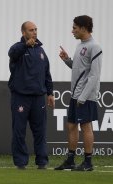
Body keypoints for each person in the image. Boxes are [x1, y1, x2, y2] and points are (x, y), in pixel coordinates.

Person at [55, 15, 102, 171]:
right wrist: (67, 59)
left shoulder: (95, 47)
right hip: (76, 94)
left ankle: (88, 163)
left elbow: (94, 75)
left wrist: (83, 96)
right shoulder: (80, 45)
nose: (72, 31)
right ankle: (70, 160)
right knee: (71, 126)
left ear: (83, 28)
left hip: (86, 96)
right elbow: (78, 68)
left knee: (85, 126)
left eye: (74, 27)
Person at [8, 21, 55, 170]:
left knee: (40, 132)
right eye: (31, 30)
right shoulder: (18, 48)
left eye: (35, 29)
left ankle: (42, 162)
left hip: (38, 98)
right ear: (23, 32)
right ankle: (21, 162)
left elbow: (47, 73)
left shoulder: (41, 51)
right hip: (21, 97)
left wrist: (50, 93)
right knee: (19, 132)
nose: (34, 32)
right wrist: (25, 45)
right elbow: (12, 53)